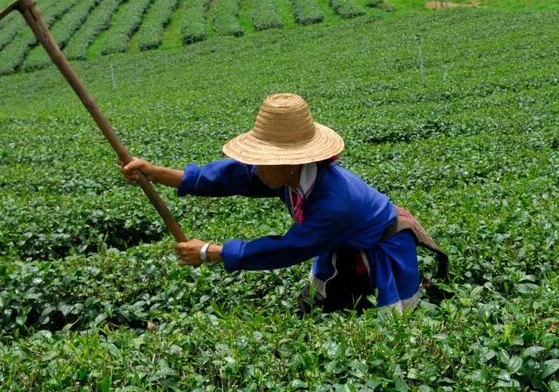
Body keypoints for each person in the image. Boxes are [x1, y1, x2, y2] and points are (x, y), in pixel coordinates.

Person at [120, 93, 447, 315]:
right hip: (342, 243)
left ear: (292, 161)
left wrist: (208, 252)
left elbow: (288, 249)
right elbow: (229, 176)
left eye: (263, 161)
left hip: (379, 248)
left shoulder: (334, 203)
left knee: (380, 322)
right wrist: (155, 173)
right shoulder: (284, 174)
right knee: (322, 305)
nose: (256, 168)